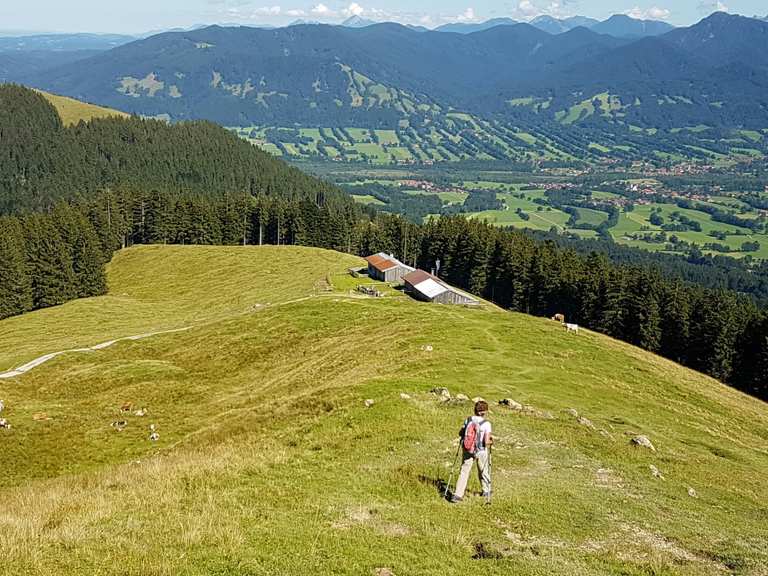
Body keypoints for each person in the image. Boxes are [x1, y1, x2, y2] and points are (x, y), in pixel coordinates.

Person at [451, 400, 493, 503]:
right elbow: (486, 441)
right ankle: (486, 491)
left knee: (464, 471)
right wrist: (491, 441)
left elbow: (461, 433)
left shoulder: (469, 419)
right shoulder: (487, 424)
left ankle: (457, 495)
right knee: (483, 470)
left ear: (475, 410)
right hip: (480, 451)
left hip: (467, 449)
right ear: (485, 412)